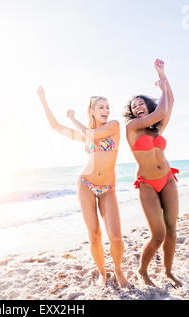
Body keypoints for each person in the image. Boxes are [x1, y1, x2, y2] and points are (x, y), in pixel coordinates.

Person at [37, 86, 129, 287]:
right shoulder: (85, 135)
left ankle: (118, 271)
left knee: (115, 236)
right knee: (94, 234)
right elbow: (55, 127)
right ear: (92, 111)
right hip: (86, 184)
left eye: (107, 106)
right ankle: (103, 273)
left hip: (107, 188)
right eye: (101, 107)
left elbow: (91, 133)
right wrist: (43, 99)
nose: (106, 110)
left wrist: (73, 119)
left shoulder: (113, 126)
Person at [123, 59, 182, 288]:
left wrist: (164, 77)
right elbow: (162, 109)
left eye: (141, 103)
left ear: (147, 105)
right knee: (158, 234)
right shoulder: (131, 129)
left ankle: (168, 271)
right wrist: (162, 85)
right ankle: (143, 271)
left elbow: (170, 103)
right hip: (147, 184)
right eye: (133, 106)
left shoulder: (158, 127)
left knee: (172, 230)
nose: (137, 107)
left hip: (168, 180)